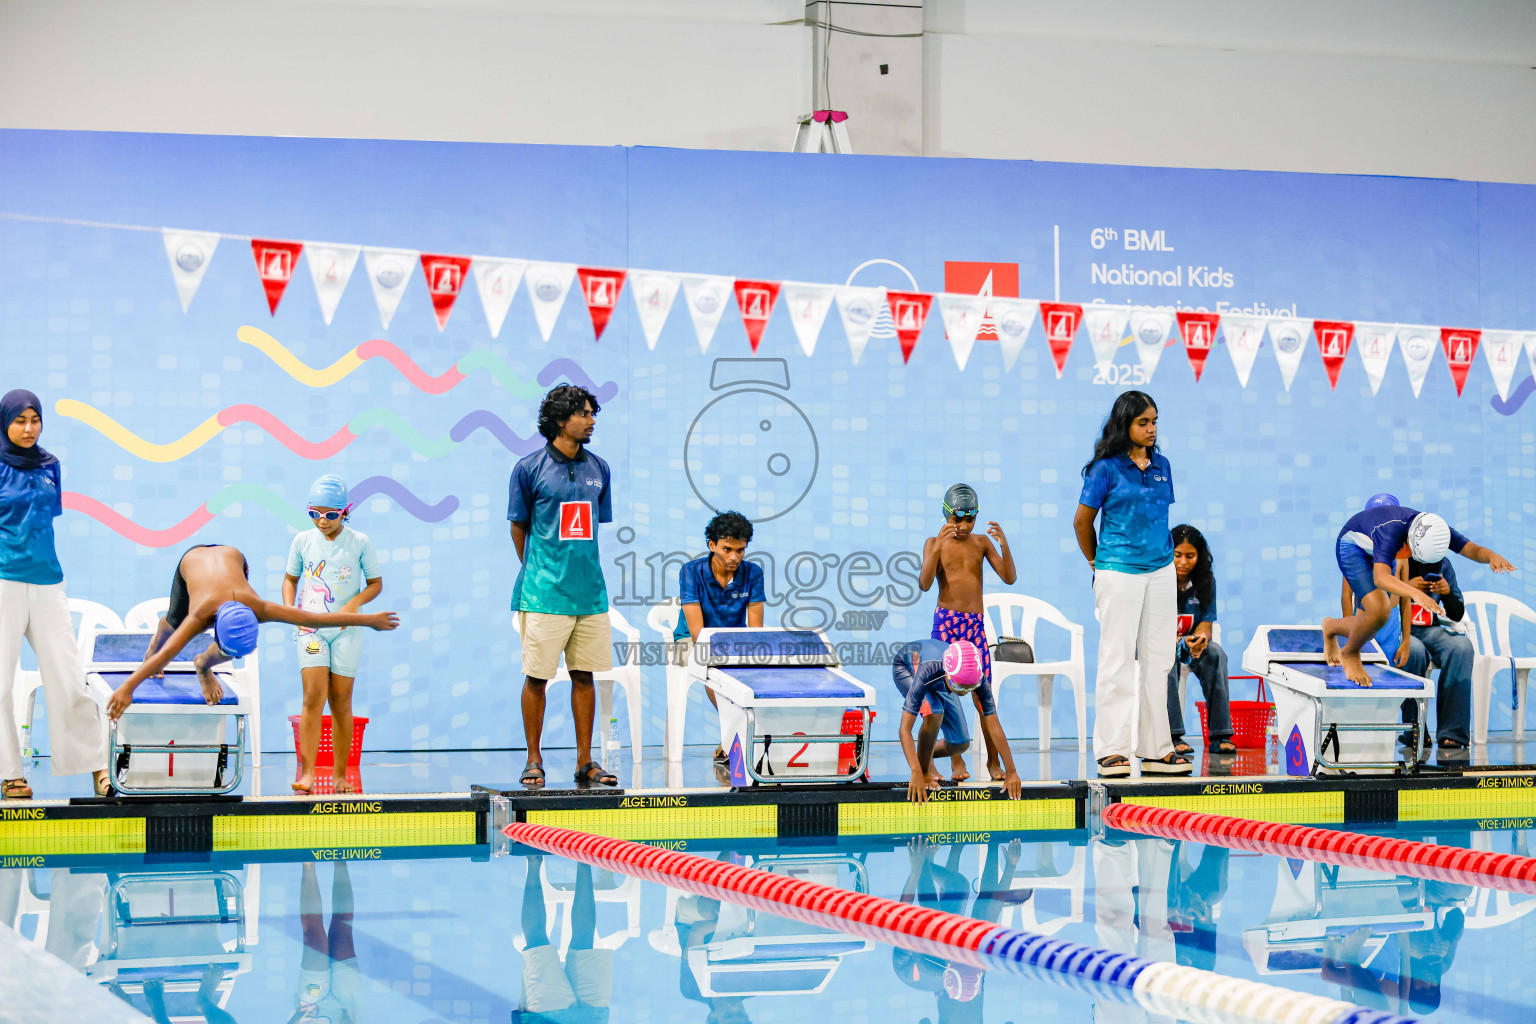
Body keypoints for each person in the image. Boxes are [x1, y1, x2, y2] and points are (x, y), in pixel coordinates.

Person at [105, 545, 398, 720]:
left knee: (215, 644)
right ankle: (197, 660)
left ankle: (202, 665)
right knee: (170, 628)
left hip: (235, 558)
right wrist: (127, 688)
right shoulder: (198, 616)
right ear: (212, 628)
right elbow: (167, 655)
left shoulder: (261, 608)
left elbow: (317, 618)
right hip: (192, 561)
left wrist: (370, 619)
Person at [1072, 391, 1189, 777]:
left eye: (1155, 421)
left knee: (1159, 662)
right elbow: (1082, 523)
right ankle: (1112, 749)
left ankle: (1156, 748)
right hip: (1118, 570)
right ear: (1125, 424)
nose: (1152, 429)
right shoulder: (1105, 469)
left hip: (1160, 571)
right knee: (1117, 660)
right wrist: (1097, 561)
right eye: (1144, 422)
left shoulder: (1163, 466)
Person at [0, 389, 110, 799]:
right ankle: (10, 773)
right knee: (0, 685)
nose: (28, 429)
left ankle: (95, 766)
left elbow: (44, 520)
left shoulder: (50, 465)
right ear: (5, 422)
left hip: (48, 580)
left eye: (35, 420)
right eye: (19, 421)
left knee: (68, 679)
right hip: (4, 580)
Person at [510, 384, 616, 789]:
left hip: (590, 592)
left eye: (592, 413)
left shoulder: (600, 469)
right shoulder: (528, 468)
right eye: (585, 414)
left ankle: (586, 762)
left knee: (584, 676)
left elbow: (591, 531)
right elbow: (518, 527)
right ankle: (534, 759)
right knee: (537, 678)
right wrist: (539, 569)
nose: (592, 421)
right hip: (543, 594)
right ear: (560, 420)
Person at [1324, 503, 1514, 686]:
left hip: (1375, 545)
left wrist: (1491, 556)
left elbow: (1472, 549)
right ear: (1409, 540)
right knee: (1379, 609)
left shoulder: (1436, 529)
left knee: (1372, 624)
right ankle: (1349, 653)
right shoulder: (1390, 533)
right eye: (1411, 552)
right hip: (1352, 546)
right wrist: (1416, 593)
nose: (1407, 556)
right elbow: (1380, 578)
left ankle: (1331, 626)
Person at [283, 475, 383, 794]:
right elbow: (290, 580)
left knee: (341, 702)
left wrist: (354, 603)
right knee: (313, 696)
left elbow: (375, 584)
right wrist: (290, 612)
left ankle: (340, 775)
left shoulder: (360, 542)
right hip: (311, 629)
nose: (322, 521)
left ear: (345, 511)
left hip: (347, 631)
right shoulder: (302, 541)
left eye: (330, 514)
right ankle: (309, 773)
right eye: (315, 513)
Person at [918, 483, 1016, 782]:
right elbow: (924, 584)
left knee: (981, 697)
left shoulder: (981, 543)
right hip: (946, 624)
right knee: (948, 694)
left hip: (974, 627)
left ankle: (993, 762)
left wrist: (1003, 544)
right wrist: (936, 548)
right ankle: (955, 762)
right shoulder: (934, 542)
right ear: (946, 515)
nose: (962, 526)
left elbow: (1009, 578)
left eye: (969, 520)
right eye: (957, 519)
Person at [673, 510, 766, 763]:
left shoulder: (753, 573)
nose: (734, 557)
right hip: (690, 642)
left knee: (763, 666)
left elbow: (755, 629)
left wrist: (755, 655)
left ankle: (735, 737)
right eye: (727, 549)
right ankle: (738, 733)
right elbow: (697, 633)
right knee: (715, 665)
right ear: (712, 545)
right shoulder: (690, 571)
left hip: (735, 643)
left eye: (741, 550)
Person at [892, 638, 1022, 802]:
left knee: (960, 743)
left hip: (944, 679)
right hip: (907, 668)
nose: (963, 693)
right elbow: (904, 729)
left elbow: (993, 724)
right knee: (935, 711)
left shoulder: (979, 679)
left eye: (970, 688)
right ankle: (925, 770)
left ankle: (924, 756)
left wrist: (1012, 771)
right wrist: (917, 772)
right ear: (948, 674)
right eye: (960, 687)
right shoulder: (928, 671)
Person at [515, 853, 612, 1023]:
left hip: (585, 1018)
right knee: (540, 942)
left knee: (581, 941)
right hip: (556, 1018)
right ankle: (535, 859)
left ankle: (581, 859)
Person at [1166, 524, 1234, 756]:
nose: (1183, 562)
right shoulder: (1156, 578)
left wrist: (1199, 642)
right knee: (1164, 656)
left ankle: (1220, 735)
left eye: (1190, 556)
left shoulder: (1206, 582)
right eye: (1177, 555)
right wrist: (1173, 642)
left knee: (1216, 654)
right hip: (1159, 645)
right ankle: (1172, 735)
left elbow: (1206, 627)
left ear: (1199, 556)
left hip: (1188, 645)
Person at [1399, 552, 1476, 751]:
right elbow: (1379, 600)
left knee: (1462, 647)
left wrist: (1447, 591)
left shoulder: (1442, 564)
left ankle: (1452, 733)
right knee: (1413, 650)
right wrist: (1407, 588)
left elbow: (1457, 613)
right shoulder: (1393, 558)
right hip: (1400, 630)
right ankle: (1414, 730)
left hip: (1430, 630)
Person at [288, 861, 362, 1024]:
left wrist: (294, 1021)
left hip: (311, 1010)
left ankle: (308, 864)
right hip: (346, 1009)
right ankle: (340, 860)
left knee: (312, 937)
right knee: (342, 928)